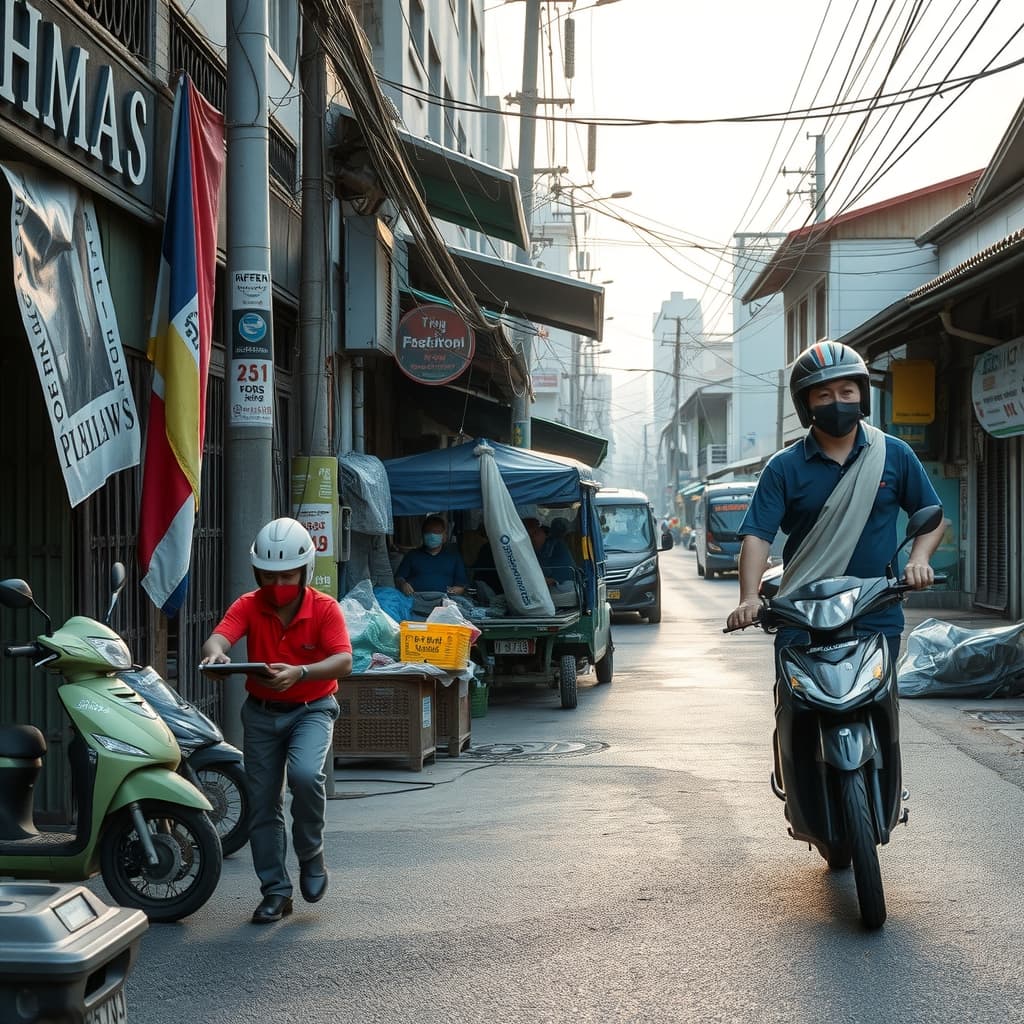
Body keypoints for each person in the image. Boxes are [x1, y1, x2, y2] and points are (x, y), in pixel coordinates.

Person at [726, 340, 944, 663]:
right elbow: (758, 536)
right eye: (824, 395)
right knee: (797, 707)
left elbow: (931, 517)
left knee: (883, 708)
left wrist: (920, 559)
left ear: (861, 395)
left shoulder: (894, 454)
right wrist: (747, 598)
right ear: (807, 403)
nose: (838, 401)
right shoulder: (783, 467)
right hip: (801, 616)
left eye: (846, 391)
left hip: (876, 613)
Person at [201, 518, 353, 925]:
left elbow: (344, 660)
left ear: (304, 571)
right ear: (258, 574)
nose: (278, 584)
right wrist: (216, 655)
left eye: (287, 575)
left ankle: (311, 854)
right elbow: (220, 636)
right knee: (262, 804)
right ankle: (275, 892)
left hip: (313, 709)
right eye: (269, 576)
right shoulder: (249, 604)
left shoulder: (324, 608)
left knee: (306, 776)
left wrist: (300, 672)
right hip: (262, 713)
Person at [395, 515, 468, 596]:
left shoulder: (454, 557)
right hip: (416, 599)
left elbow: (461, 586)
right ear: (422, 534)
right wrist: (403, 584)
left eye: (437, 532)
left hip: (445, 602)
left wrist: (456, 591)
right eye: (428, 532)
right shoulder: (412, 555)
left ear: (444, 535)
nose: (432, 535)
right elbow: (399, 578)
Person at [523, 516, 575, 586]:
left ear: (542, 532)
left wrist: (552, 582)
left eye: (535, 533)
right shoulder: (523, 552)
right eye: (528, 537)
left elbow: (569, 582)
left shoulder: (557, 548)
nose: (532, 540)